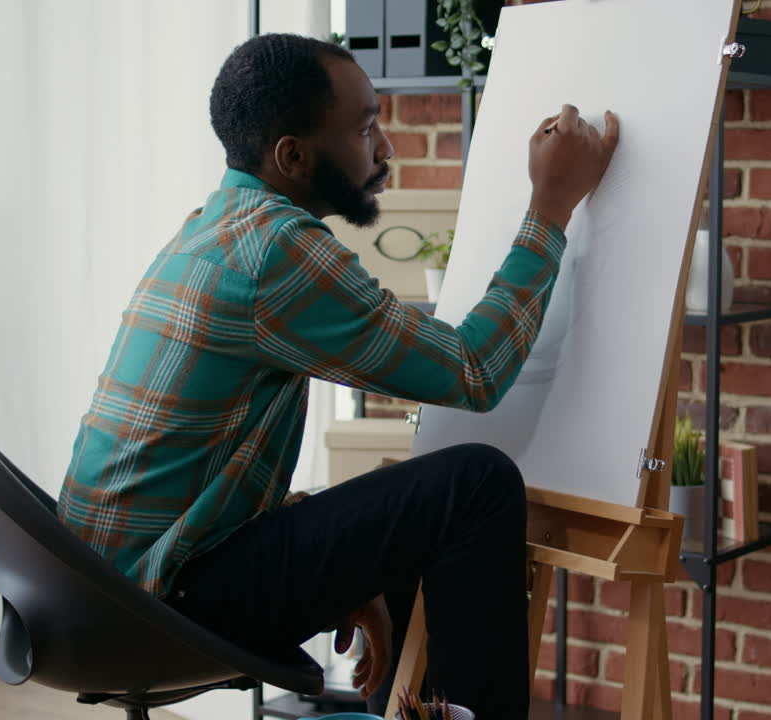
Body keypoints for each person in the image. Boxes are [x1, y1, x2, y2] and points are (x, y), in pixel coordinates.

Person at [56, 33, 618, 719]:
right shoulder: (278, 249)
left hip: (93, 588)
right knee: (474, 485)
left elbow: (204, 482)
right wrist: (551, 207)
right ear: (292, 156)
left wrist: (354, 577)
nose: (383, 149)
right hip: (156, 601)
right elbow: (475, 371)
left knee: (420, 500)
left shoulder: (213, 226)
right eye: (363, 129)